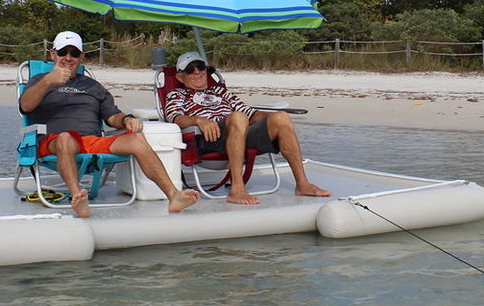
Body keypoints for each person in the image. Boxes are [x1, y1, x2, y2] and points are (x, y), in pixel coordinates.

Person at [19, 31, 199, 218]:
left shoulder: (93, 86)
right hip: (55, 141)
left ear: (81, 57)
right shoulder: (39, 80)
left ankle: (173, 195)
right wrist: (49, 80)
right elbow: (26, 106)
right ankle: (78, 197)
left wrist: (126, 120)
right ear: (53, 54)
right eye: (63, 52)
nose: (68, 58)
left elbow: (111, 116)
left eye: (74, 53)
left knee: (136, 139)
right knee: (66, 138)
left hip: (91, 141)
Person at [164, 51, 330, 205]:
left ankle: (302, 184)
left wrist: (272, 118)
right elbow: (173, 117)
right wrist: (199, 120)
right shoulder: (177, 95)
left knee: (281, 117)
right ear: (180, 76)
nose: (198, 72)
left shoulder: (221, 93)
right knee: (238, 117)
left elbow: (249, 113)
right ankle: (237, 189)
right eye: (190, 70)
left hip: (239, 132)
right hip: (208, 139)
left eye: (201, 67)